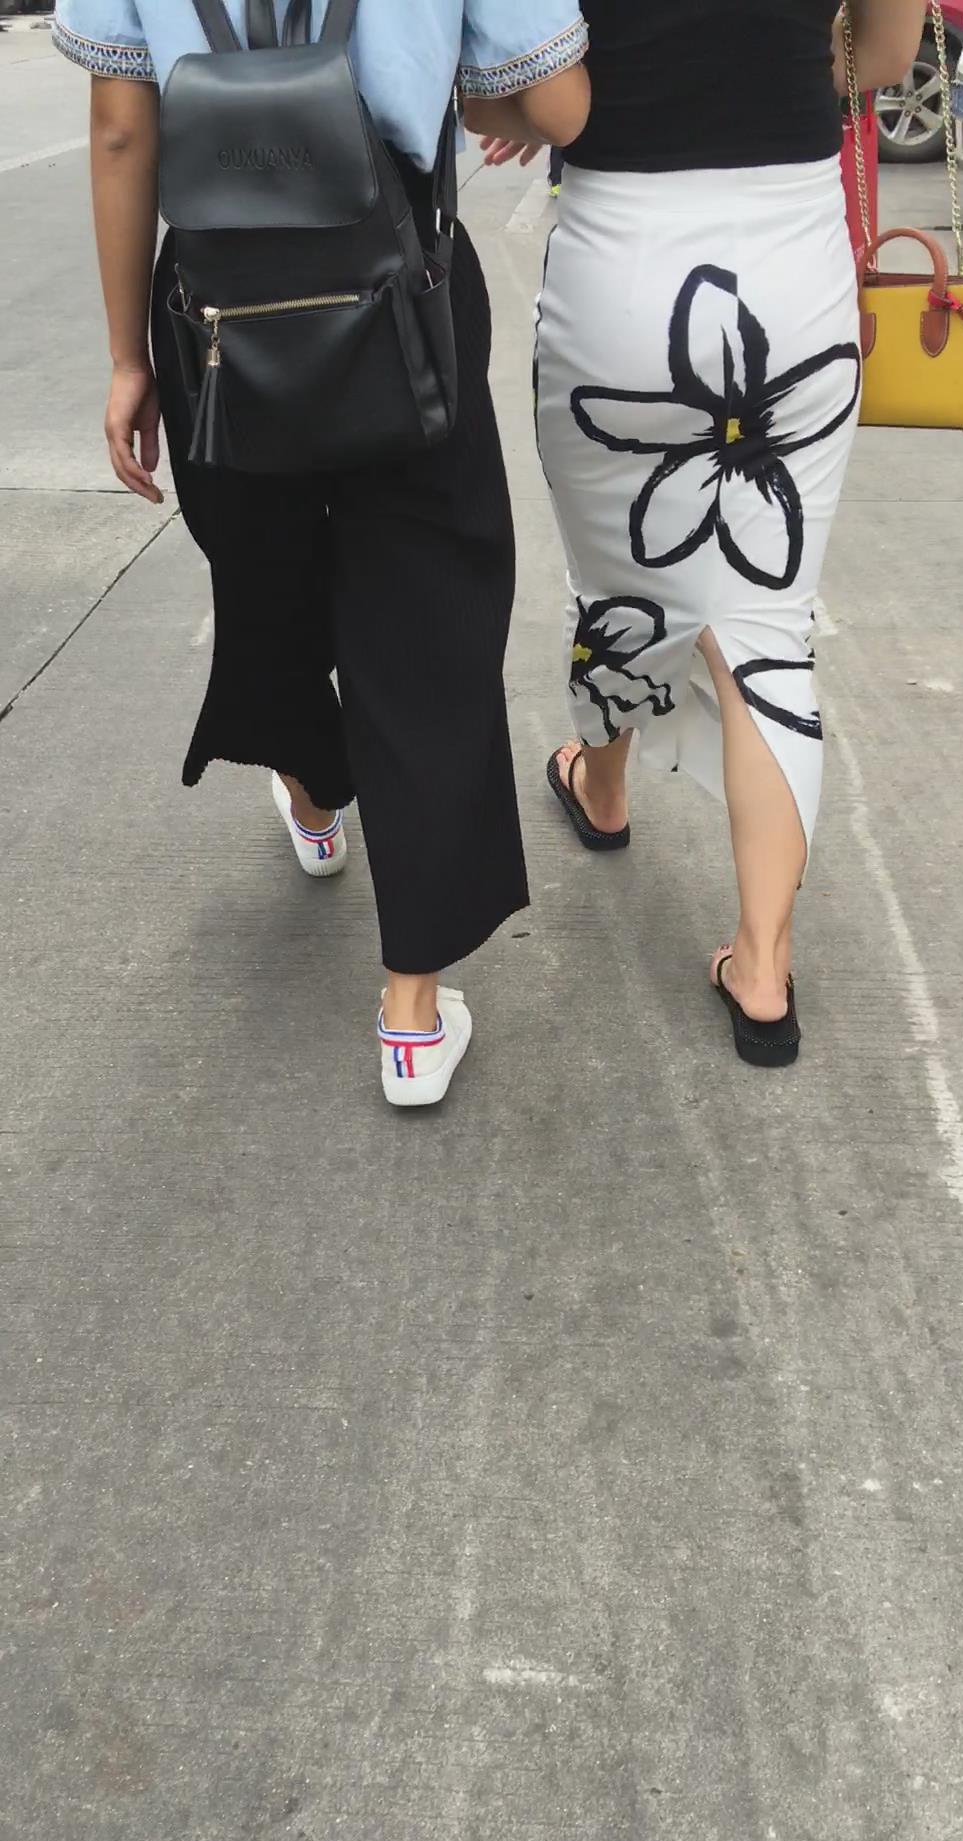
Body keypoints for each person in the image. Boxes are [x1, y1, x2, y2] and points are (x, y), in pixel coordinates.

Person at [53, 0, 590, 1108]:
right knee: (427, 610)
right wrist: (465, 89)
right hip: (404, 282)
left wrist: (126, 357)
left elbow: (120, 126)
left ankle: (311, 792)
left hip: (217, 306)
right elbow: (554, 101)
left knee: (266, 571)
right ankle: (411, 1015)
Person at [521, 0, 925, 1067]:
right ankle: (762, 967)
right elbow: (886, 54)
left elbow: (522, 95)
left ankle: (603, 789)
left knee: (621, 584)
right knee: (764, 625)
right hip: (794, 263)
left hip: (617, 258)